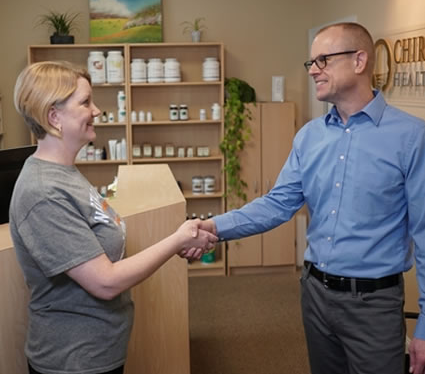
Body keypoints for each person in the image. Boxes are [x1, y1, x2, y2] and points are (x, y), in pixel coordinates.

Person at [185, 22, 425, 374]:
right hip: (315, 296)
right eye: (311, 62)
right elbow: (277, 204)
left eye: (323, 60)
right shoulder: (309, 137)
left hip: (373, 304)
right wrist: (212, 227)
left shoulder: (411, 137)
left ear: (360, 61)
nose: (313, 70)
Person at [10, 60, 218, 374]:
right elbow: (105, 282)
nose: (97, 110)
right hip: (73, 360)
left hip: (100, 349)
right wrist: (179, 238)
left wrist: (175, 241)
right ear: (54, 117)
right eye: (85, 102)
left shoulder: (66, 173)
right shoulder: (43, 193)